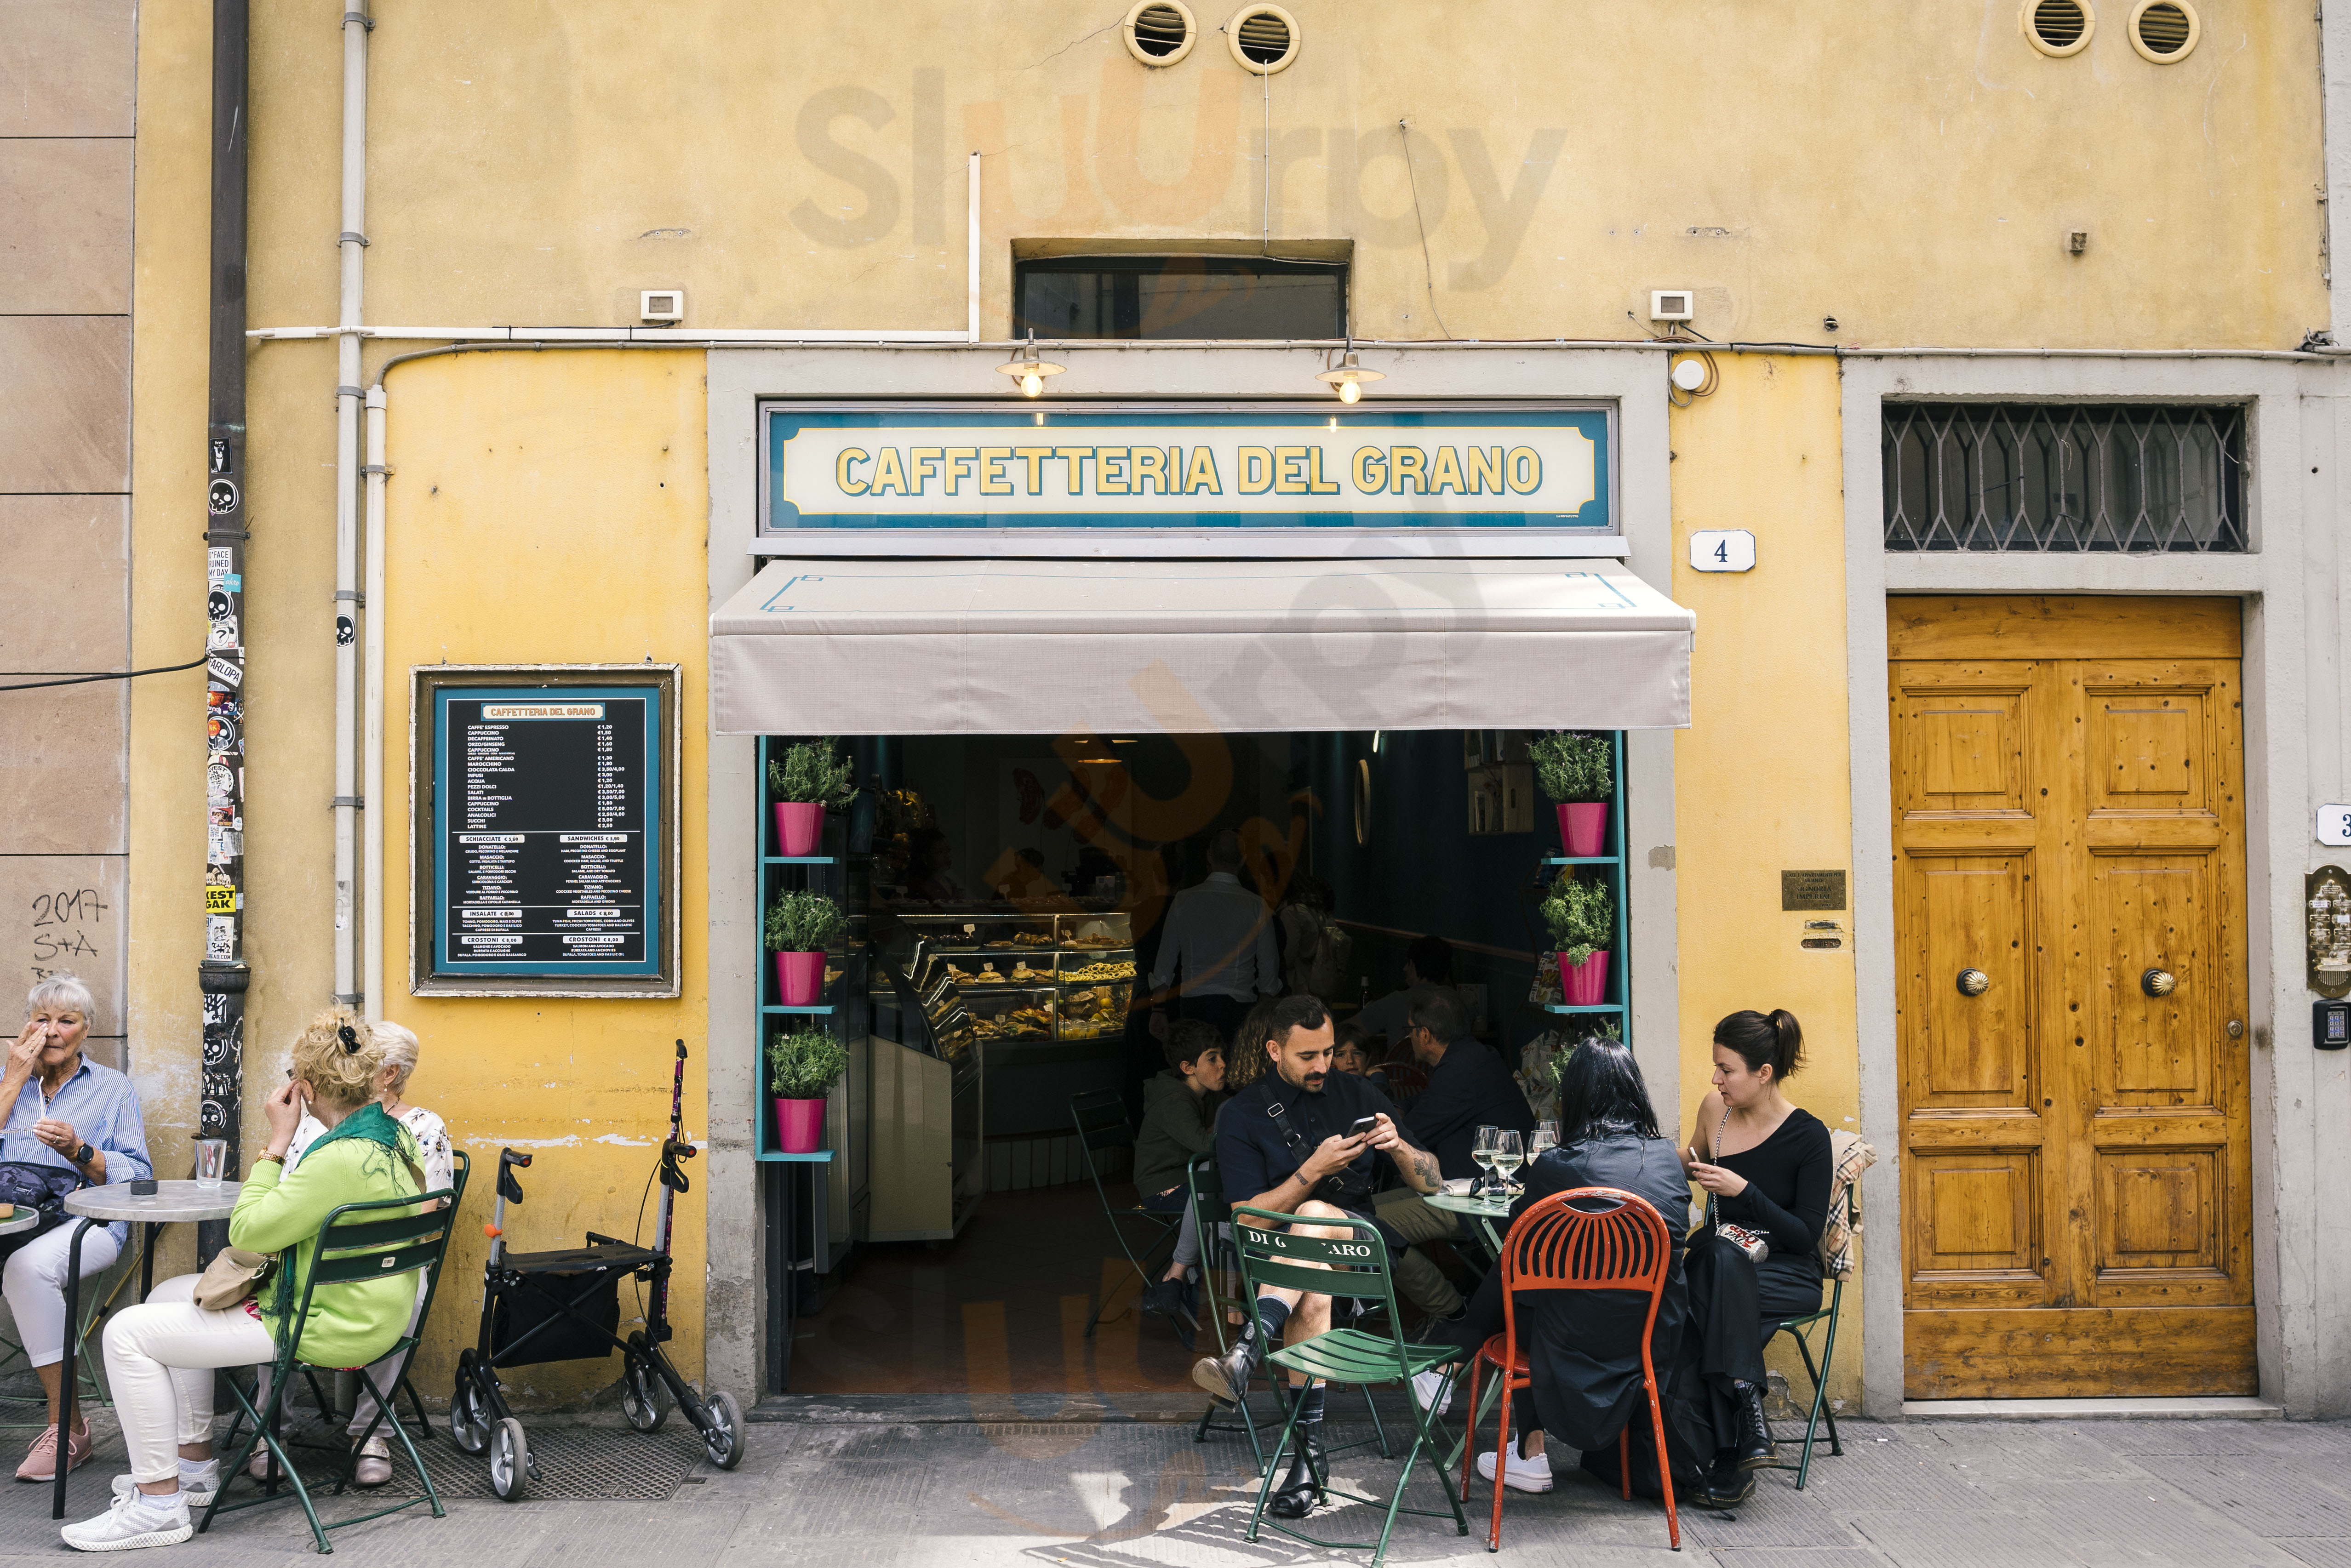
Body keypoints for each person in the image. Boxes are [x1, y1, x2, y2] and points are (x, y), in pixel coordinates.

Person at [60, 1010, 428, 1553]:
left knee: (126, 1333)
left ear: (303, 1087)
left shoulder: (341, 1158)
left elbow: (248, 1231)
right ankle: (192, 1468)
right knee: (168, 1295)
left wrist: (276, 1143)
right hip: (376, 1314)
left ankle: (157, 1503)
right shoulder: (393, 1137)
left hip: (328, 1325)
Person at [1190, 996, 1444, 1521]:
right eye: (1308, 1056)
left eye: (1328, 1052)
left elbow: (1433, 1182)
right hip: (1283, 1269)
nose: (1324, 1066)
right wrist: (1311, 1168)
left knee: (1313, 1215)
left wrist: (1398, 1148)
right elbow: (1245, 1222)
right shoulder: (1240, 1113)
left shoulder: (1359, 1092)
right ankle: (1309, 1460)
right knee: (1311, 1278)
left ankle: (1247, 1350)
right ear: (1274, 1050)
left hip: (1361, 1257)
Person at [1418, 1037, 1694, 1499]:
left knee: (1521, 1275)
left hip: (1565, 1339)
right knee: (1528, 1275)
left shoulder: (1556, 1167)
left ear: (1577, 1098)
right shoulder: (1668, 1159)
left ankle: (1505, 1426)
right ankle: (1478, 1404)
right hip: (1648, 1339)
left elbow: (1519, 1233)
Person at [271, 1019, 452, 1488]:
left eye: (364, 1062)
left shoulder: (420, 1127)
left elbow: (424, 1211)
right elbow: (285, 1195)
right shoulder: (310, 1123)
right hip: (307, 1253)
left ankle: (370, 1431)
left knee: (406, 1291)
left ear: (387, 1073)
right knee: (276, 1285)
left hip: (385, 1258)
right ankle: (273, 1429)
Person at [0, 974, 153, 1483]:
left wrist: (81, 1151)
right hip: (10, 1217)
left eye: (66, 1021)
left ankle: (67, 1428)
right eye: (42, 1020)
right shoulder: (7, 1078)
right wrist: (13, 1078)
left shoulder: (112, 1089)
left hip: (86, 1220)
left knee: (26, 1269)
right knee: (20, 1260)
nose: (52, 1031)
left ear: (86, 1030)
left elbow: (138, 1177)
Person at [1679, 1009, 1831, 1504]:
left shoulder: (1809, 1136)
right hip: (1722, 1265)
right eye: (1716, 1068)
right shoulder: (1713, 1111)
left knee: (1703, 1302)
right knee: (1721, 1259)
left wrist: (1744, 1190)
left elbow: (1804, 1236)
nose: (1715, 1079)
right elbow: (1689, 1161)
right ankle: (1747, 1406)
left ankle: (1728, 1453)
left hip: (1785, 1271)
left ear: (1763, 1073)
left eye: (1727, 1070)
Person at [1133, 1021, 1225, 1349]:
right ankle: (1198, 1301)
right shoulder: (1175, 1100)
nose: (1222, 1065)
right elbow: (1206, 1143)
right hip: (1164, 1188)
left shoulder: (1206, 1096)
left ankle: (1184, 1286)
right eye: (1212, 1059)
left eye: (1221, 1056)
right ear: (1188, 1067)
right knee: (1220, 1209)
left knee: (1217, 1198)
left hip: (1187, 1180)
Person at [1146, 829, 1279, 1043]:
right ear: (1244, 860)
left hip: (1193, 1006)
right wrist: (1263, 1021)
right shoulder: (1257, 906)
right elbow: (1269, 975)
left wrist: (1158, 1010)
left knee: (1197, 1071)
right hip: (1240, 1008)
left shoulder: (1183, 901)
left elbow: (1164, 965)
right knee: (1237, 1072)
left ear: (1209, 856)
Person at [1348, 935, 1467, 1055]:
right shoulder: (1460, 1003)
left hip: (1402, 1072)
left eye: (1408, 962)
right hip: (1450, 1072)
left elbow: (1348, 1029)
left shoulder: (1396, 1002)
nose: (1405, 968)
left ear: (1415, 965)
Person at [905, 827, 962, 902]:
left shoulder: (952, 885)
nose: (947, 855)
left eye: (948, 850)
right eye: (940, 852)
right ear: (925, 857)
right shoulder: (921, 886)